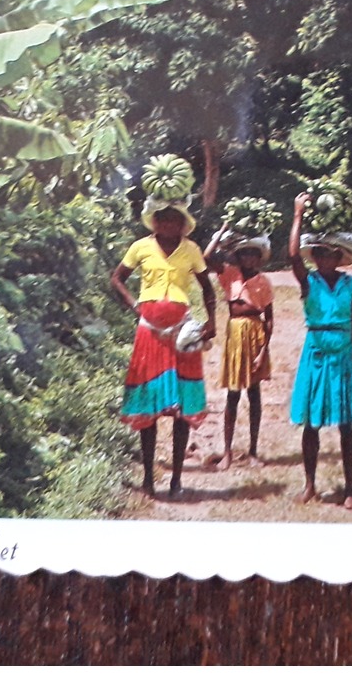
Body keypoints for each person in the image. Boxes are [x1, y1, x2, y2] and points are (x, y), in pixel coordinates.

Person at [111, 200, 217, 499]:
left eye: (174, 220)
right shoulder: (140, 247)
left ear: (183, 224)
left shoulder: (191, 250)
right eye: (163, 219)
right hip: (150, 333)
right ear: (154, 222)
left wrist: (212, 321)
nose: (169, 224)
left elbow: (207, 289)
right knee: (150, 407)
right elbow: (117, 278)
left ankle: (177, 480)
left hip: (181, 333)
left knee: (181, 408)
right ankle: (147, 479)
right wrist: (135, 306)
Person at [287, 192, 352, 510]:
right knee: (312, 423)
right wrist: (298, 214)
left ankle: (349, 488)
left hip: (345, 352)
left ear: (340, 257)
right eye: (319, 253)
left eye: (331, 254)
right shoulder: (309, 283)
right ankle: (310, 484)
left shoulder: (351, 285)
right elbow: (293, 255)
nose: (325, 259)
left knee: (346, 423)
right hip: (316, 352)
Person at [205, 225, 275, 469]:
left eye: (253, 254)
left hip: (255, 335)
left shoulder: (263, 282)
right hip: (235, 333)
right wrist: (221, 232)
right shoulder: (230, 275)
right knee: (233, 394)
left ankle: (253, 451)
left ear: (259, 257)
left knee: (254, 393)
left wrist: (263, 350)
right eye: (244, 254)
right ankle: (227, 452)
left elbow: (269, 318)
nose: (249, 259)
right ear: (238, 256)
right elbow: (206, 258)